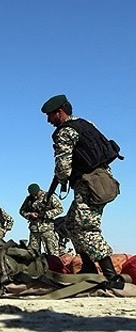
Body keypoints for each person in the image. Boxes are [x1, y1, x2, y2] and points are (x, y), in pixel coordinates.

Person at [41, 93, 122, 280]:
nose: (49, 120)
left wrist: (61, 181)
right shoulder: (86, 124)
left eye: (50, 115)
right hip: (103, 179)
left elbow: (63, 167)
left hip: (89, 183)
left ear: (60, 113)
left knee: (87, 228)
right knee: (71, 224)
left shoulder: (65, 132)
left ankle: (111, 277)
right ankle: (88, 269)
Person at [19, 183, 63, 256]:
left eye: (36, 194)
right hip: (34, 230)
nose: (35, 197)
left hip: (47, 229)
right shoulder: (29, 199)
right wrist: (30, 215)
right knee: (33, 253)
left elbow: (60, 209)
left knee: (52, 253)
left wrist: (45, 214)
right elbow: (21, 211)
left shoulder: (49, 196)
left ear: (39, 191)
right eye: (33, 195)